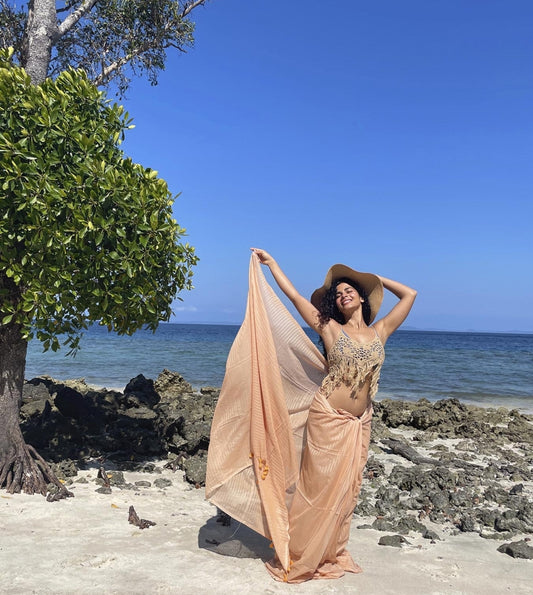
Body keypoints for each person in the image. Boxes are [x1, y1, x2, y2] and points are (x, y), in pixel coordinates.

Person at [205, 249, 416, 583]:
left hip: (360, 423)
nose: (344, 295)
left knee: (345, 490)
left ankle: (329, 550)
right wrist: (273, 265)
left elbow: (410, 294)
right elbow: (294, 297)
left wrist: (374, 278)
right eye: (339, 294)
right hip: (328, 417)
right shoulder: (329, 327)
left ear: (362, 297)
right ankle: (302, 551)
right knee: (317, 488)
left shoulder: (381, 331)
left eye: (350, 290)